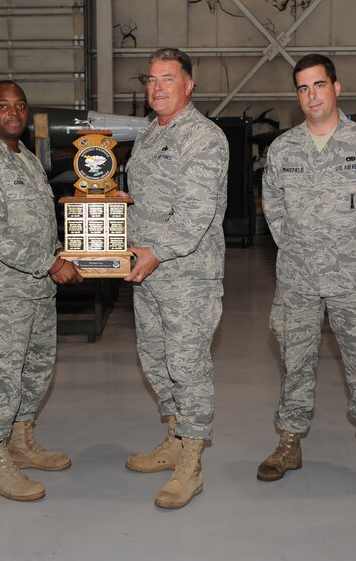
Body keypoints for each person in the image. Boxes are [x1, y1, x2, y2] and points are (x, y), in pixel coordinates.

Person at [260, 54, 356, 499]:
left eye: (319, 85)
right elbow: (274, 209)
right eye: (303, 88)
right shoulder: (283, 149)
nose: (311, 95)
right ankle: (289, 443)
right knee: (294, 363)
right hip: (298, 278)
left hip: (355, 277)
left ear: (336, 88)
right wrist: (299, 248)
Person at [0, 80, 83, 501]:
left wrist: (70, 254)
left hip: (36, 293)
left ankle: (21, 442)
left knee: (34, 372)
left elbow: (39, 228)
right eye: (3, 106)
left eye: (20, 105)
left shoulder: (26, 159)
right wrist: (52, 263)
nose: (13, 112)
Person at [123, 48, 229, 509]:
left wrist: (155, 251)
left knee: (188, 367)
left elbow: (195, 214)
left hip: (186, 276)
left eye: (168, 79)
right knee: (156, 361)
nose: (157, 87)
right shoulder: (149, 134)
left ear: (189, 86)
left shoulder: (203, 137)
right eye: (151, 79)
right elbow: (147, 199)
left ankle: (192, 461)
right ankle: (173, 438)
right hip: (145, 274)